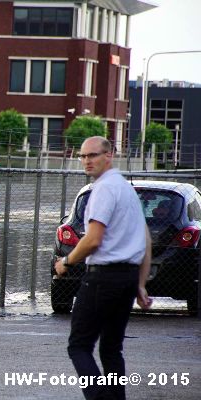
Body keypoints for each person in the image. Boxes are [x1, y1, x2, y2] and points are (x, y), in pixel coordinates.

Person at [54, 136, 153, 400]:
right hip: (127, 278)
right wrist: (140, 284)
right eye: (83, 156)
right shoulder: (126, 189)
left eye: (93, 155)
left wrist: (66, 261)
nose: (87, 161)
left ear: (109, 155)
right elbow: (144, 240)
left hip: (103, 278)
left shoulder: (104, 189)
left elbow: (93, 239)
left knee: (79, 346)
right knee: (111, 349)